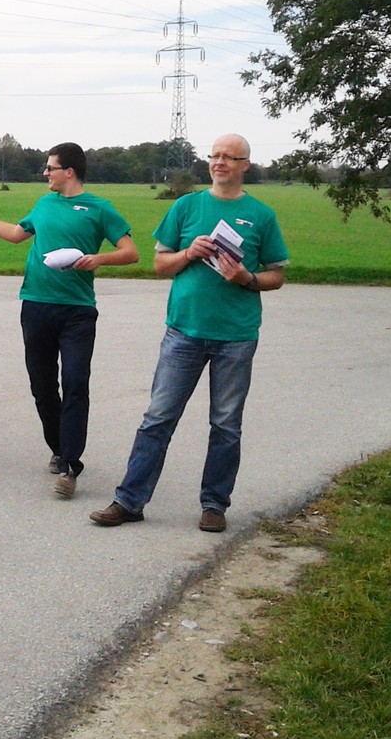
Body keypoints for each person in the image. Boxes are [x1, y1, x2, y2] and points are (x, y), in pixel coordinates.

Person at [90, 133, 289, 533]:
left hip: (236, 335)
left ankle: (214, 504)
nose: (220, 162)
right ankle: (129, 501)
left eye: (230, 157)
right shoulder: (186, 206)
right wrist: (188, 253)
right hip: (184, 331)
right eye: (215, 155)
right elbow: (159, 265)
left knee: (226, 424)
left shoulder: (261, 215)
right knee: (158, 417)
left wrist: (247, 278)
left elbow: (277, 275)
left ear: (245, 165)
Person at [0, 142, 139, 498]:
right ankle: (59, 449)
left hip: (77, 310)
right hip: (36, 305)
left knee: (75, 382)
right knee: (43, 388)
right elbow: (16, 235)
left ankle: (70, 465)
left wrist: (98, 259)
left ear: (69, 171)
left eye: (50, 167)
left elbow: (131, 253)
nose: (45, 173)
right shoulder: (45, 204)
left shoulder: (100, 208)